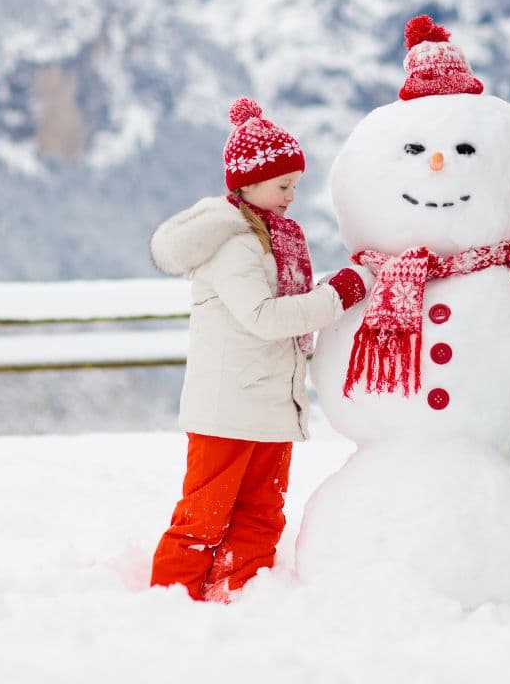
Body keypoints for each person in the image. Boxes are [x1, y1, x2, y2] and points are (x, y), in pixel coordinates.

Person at [148, 97, 369, 602]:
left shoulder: (273, 237)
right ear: (247, 183)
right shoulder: (232, 244)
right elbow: (263, 317)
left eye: (295, 184)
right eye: (283, 184)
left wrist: (330, 295)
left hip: (269, 402)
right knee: (203, 517)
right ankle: (170, 601)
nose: (293, 195)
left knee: (262, 513)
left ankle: (239, 597)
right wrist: (335, 298)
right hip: (227, 407)